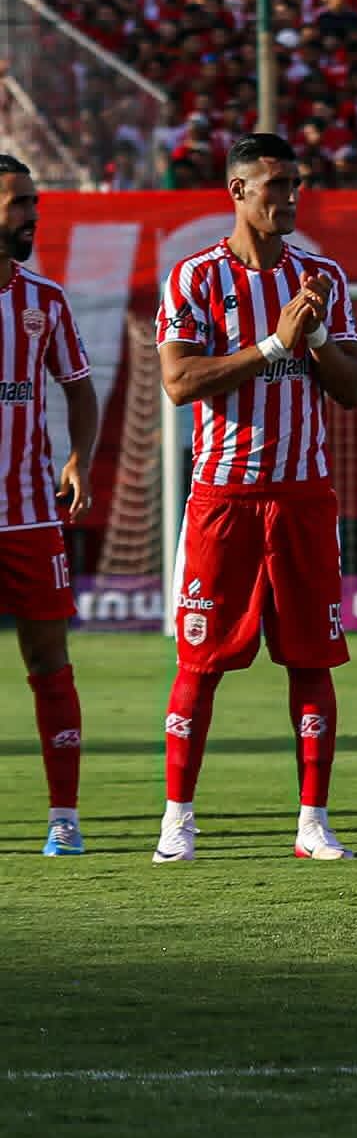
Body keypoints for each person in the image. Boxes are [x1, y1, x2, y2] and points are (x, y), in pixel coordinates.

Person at [152, 133, 357, 864]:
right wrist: (275, 346)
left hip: (304, 497)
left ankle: (313, 821)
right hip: (224, 498)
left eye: (295, 183)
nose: (289, 196)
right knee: (200, 661)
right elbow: (179, 384)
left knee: (312, 659)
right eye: (274, 184)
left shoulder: (322, 276)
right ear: (238, 191)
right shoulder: (195, 278)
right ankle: (178, 817)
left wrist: (313, 344)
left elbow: (352, 388)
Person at [0, 154, 97, 856]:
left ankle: (64, 815)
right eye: (18, 202)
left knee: (48, 661)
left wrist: (78, 459)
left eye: (34, 201)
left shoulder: (45, 301)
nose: (32, 213)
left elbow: (80, 389)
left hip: (31, 512)